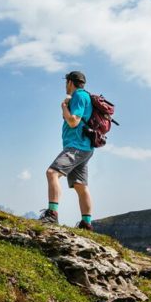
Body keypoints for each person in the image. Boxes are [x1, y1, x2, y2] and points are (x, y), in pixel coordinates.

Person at [40, 70, 95, 230]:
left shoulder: (79, 95)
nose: (65, 85)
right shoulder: (86, 97)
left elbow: (73, 121)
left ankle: (52, 214)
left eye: (66, 82)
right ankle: (86, 223)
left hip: (76, 146)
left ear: (70, 82)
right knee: (80, 185)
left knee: (52, 173)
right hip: (85, 148)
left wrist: (64, 106)